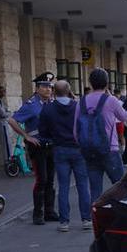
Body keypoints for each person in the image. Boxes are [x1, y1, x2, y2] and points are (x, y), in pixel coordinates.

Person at [39, 81, 91, 232]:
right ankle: (86, 219)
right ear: (69, 91)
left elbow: (43, 131)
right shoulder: (78, 106)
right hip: (78, 148)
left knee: (63, 186)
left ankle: (64, 222)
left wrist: (52, 137)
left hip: (60, 148)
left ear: (54, 91)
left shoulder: (48, 108)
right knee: (83, 185)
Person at [9, 72, 58, 225]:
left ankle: (49, 211)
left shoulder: (52, 103)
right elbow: (12, 120)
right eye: (44, 86)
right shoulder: (31, 105)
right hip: (38, 146)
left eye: (50, 86)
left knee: (50, 180)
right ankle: (38, 214)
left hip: (52, 145)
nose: (48, 89)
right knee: (41, 179)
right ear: (37, 89)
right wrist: (26, 135)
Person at [76, 69, 127, 202]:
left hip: (89, 150)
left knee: (95, 189)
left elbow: (75, 130)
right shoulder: (111, 100)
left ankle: (96, 213)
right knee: (120, 186)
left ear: (90, 83)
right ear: (106, 83)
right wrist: (111, 96)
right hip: (109, 149)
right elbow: (124, 116)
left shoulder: (81, 102)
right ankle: (119, 211)